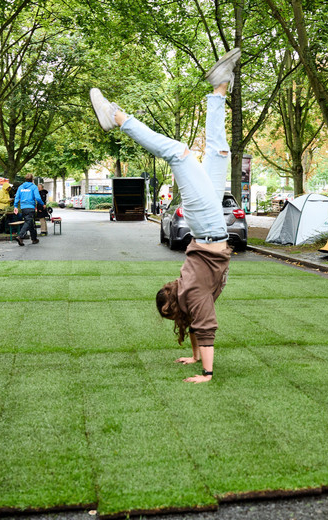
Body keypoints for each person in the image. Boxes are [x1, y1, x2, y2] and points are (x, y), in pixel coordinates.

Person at [90, 48, 240, 384]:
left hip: (211, 229)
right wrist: (206, 372)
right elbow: (205, 327)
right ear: (173, 297)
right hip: (208, 227)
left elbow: (194, 327)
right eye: (168, 290)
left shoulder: (189, 293)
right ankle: (116, 118)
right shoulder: (192, 295)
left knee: (211, 152)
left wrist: (194, 353)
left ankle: (220, 88)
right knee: (182, 153)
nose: (171, 284)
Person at [12, 173, 44, 246]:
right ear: (32, 179)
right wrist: (42, 204)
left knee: (30, 222)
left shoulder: (21, 187)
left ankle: (34, 238)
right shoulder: (33, 187)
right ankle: (20, 236)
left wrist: (15, 206)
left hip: (23, 207)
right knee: (28, 221)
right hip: (30, 207)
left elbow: (17, 197)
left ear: (25, 179)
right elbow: (38, 198)